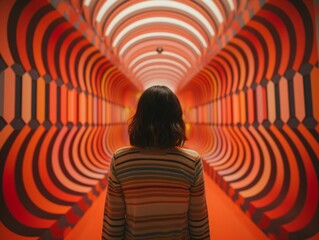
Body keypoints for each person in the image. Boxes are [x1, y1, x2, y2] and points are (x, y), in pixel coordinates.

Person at [102, 85, 210, 240]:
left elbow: (114, 221)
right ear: (177, 120)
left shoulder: (121, 160)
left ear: (140, 118)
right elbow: (198, 222)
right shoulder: (191, 161)